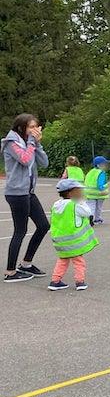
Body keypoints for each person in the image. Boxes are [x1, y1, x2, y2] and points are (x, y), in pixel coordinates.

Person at [3, 113, 50, 283]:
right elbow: (24, 159)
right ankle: (10, 271)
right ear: (21, 127)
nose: (35, 130)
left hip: (28, 192)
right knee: (20, 231)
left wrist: (37, 144)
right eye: (31, 127)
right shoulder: (11, 143)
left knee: (44, 225)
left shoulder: (28, 143)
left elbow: (44, 163)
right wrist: (32, 142)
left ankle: (26, 263)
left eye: (36, 127)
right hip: (16, 193)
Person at [47, 178, 98, 291]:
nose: (81, 193)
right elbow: (88, 212)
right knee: (79, 261)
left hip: (60, 241)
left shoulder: (56, 204)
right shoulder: (75, 204)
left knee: (62, 260)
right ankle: (80, 282)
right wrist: (81, 201)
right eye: (78, 191)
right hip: (74, 242)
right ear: (71, 193)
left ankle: (55, 281)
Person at [84, 155, 110, 224]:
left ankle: (90, 218)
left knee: (91, 206)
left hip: (89, 193)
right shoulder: (101, 173)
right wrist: (103, 189)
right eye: (104, 164)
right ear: (99, 165)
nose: (105, 166)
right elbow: (100, 184)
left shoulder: (90, 172)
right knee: (98, 207)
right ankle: (97, 219)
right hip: (99, 193)